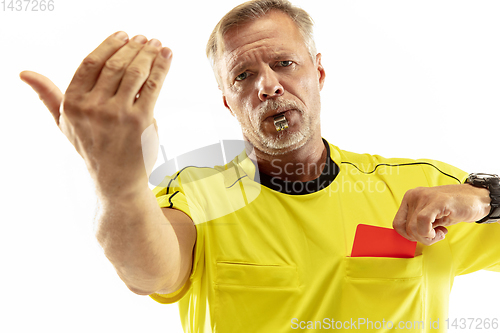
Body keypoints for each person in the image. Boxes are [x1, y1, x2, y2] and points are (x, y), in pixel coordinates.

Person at [19, 0, 499, 332]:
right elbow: (148, 274)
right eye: (243, 75)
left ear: (319, 73)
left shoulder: (421, 187)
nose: (267, 85)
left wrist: (486, 197)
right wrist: (117, 179)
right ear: (229, 103)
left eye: (285, 64)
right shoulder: (198, 196)